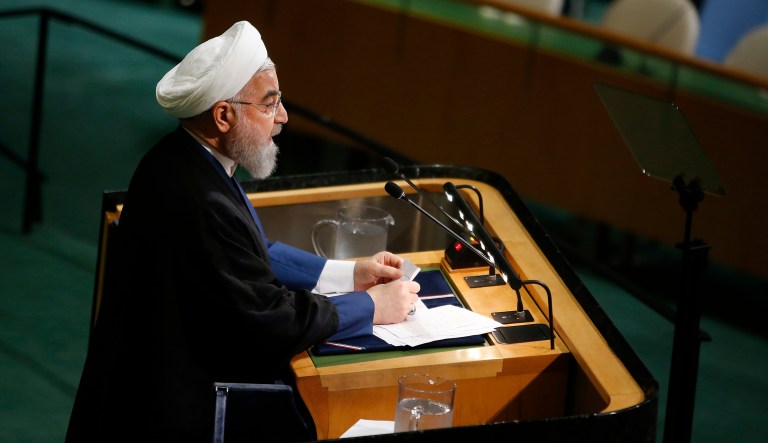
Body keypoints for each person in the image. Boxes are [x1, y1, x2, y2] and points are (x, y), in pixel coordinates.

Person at [65, 21, 420, 442]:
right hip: (169, 416)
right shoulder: (199, 197)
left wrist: (349, 274)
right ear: (223, 115)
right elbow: (270, 319)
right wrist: (370, 307)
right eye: (269, 104)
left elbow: (252, 253)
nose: (283, 117)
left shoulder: (185, 159)